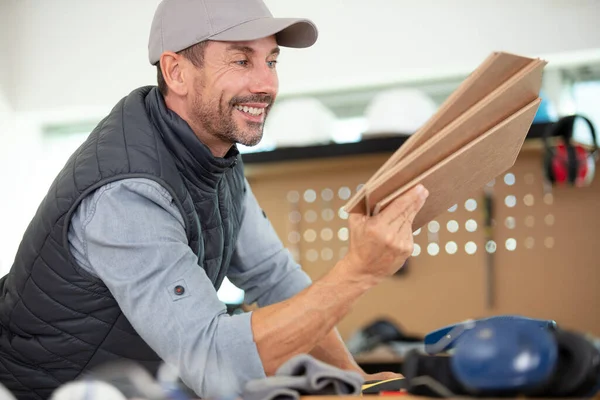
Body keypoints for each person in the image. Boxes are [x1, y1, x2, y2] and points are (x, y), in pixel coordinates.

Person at [0, 0, 429, 399]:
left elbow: (275, 278)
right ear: (177, 72)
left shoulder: (215, 155)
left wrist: (354, 381)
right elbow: (216, 361)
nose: (267, 83)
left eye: (271, 61)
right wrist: (358, 272)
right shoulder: (126, 191)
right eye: (242, 60)